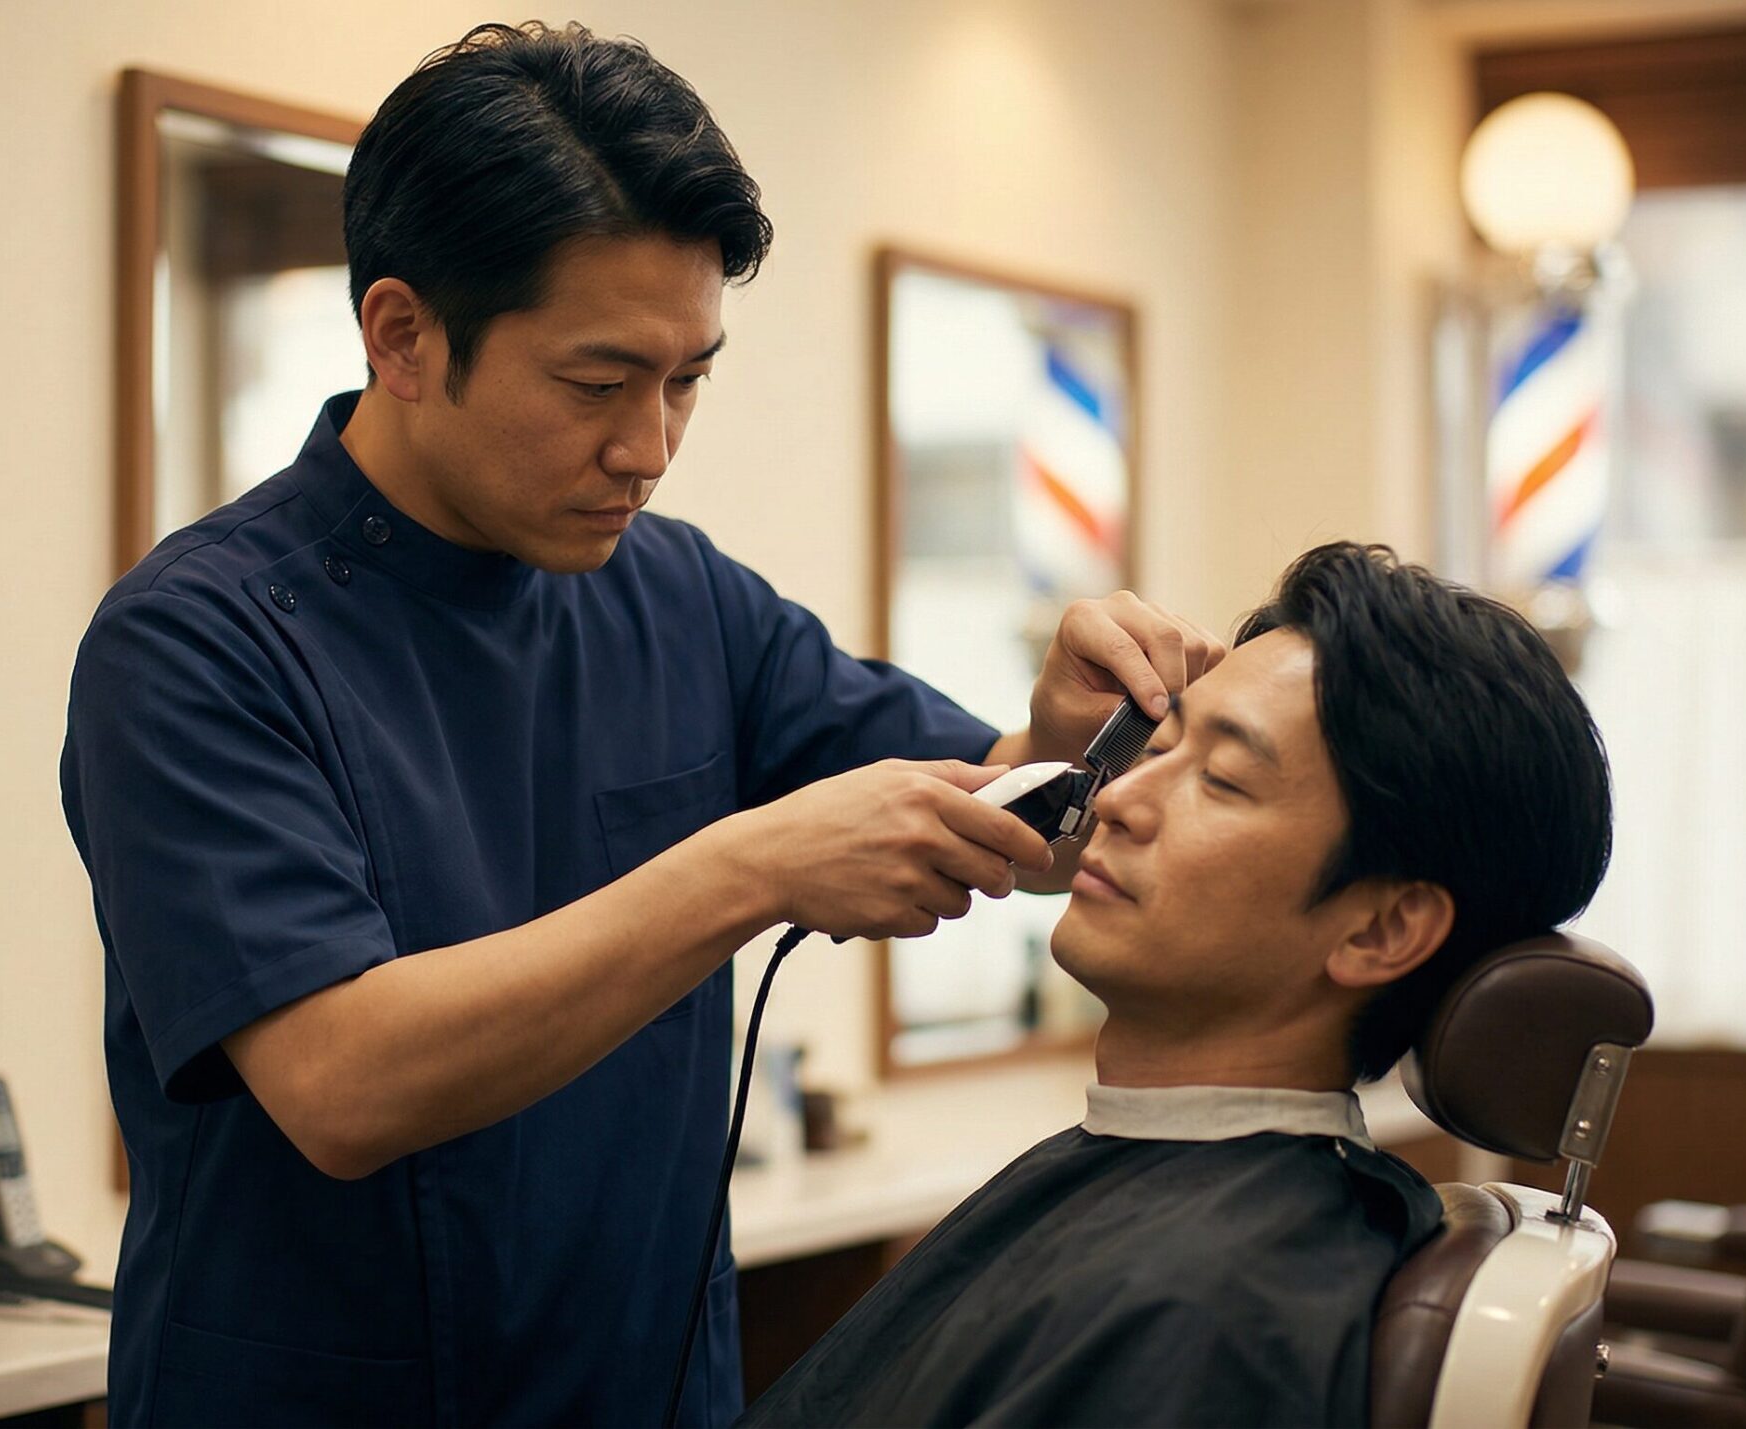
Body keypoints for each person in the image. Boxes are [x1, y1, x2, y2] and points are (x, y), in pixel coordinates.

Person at [60, 22, 1215, 1428]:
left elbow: (1003, 829)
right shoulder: (200, 641)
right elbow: (341, 1079)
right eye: (598, 385)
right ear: (403, 336)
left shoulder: (678, 598)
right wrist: (749, 867)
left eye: (688, 383)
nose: (649, 450)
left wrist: (1062, 744)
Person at [740, 542, 1615, 1428]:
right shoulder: (1178, 1204)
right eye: (1158, 745)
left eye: (1223, 779)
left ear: (1381, 929)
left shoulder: (1208, 1312)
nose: (1118, 800)